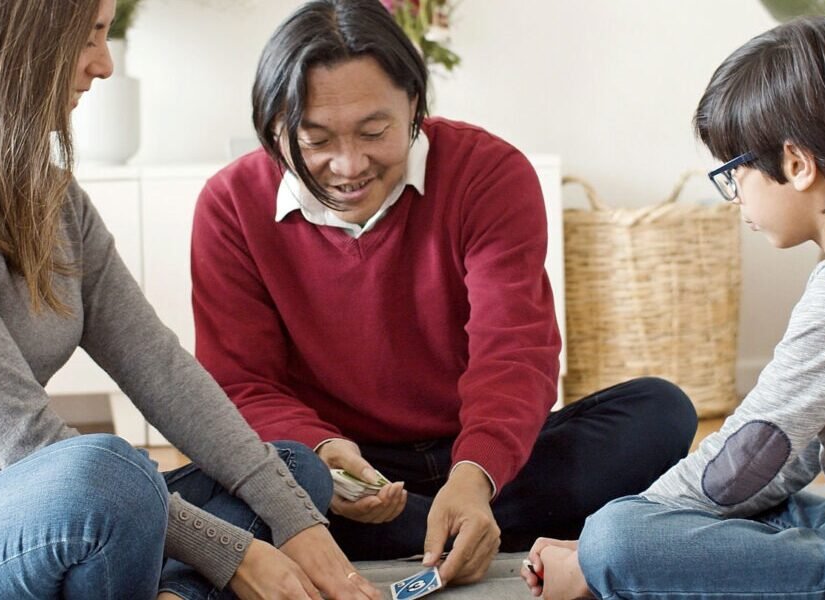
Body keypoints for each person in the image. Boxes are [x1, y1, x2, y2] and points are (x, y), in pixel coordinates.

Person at [0, 1, 381, 599]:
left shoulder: (52, 197)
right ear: (17, 42)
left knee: (291, 473)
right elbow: (27, 443)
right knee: (110, 477)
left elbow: (159, 368)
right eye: (90, 37)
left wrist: (298, 524)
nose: (105, 65)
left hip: (27, 523)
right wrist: (234, 554)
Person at [190, 0, 698, 585]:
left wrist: (475, 474)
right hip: (341, 472)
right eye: (315, 140)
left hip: (484, 454)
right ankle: (455, 529)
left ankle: (438, 524)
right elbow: (241, 382)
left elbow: (514, 351)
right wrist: (327, 458)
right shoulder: (230, 204)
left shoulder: (489, 173)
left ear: (415, 105)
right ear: (273, 127)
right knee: (224, 487)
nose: (347, 164)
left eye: (374, 132)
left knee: (659, 412)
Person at [522, 16, 825, 600]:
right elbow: (783, 452)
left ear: (798, 164)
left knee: (616, 538)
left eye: (736, 172)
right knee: (674, 517)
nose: (734, 198)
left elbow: (743, 458)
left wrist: (598, 548)